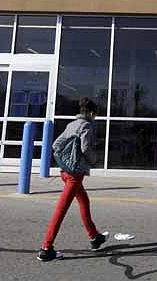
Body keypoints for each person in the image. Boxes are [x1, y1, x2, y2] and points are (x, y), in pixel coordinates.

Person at [37, 97, 108, 262]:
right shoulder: (87, 126)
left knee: (84, 201)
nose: (95, 117)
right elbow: (85, 148)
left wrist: (66, 159)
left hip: (65, 171)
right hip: (74, 176)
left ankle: (95, 237)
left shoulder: (71, 124)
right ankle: (46, 249)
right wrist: (94, 160)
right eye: (95, 115)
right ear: (91, 113)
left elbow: (56, 145)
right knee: (60, 211)